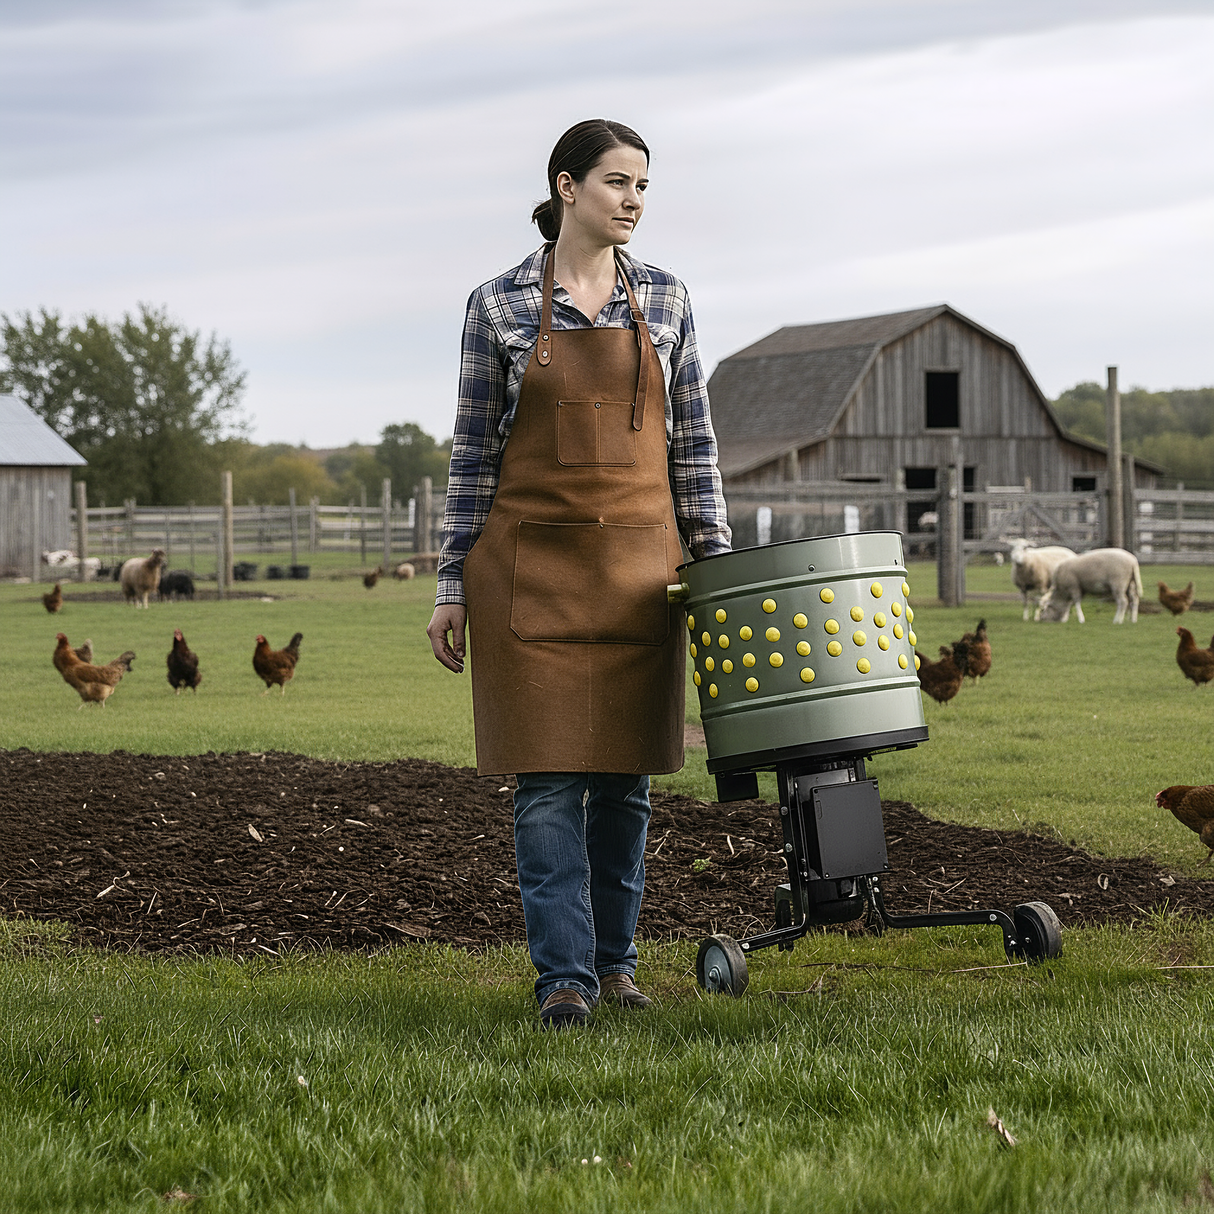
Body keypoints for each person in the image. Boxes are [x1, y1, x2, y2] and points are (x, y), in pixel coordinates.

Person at [427, 118, 731, 1028]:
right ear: (567, 188)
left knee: (626, 782)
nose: (633, 200)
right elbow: (472, 456)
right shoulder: (499, 304)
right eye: (616, 182)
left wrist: (711, 562)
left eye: (642, 186)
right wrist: (451, 584)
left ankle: (617, 964)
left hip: (642, 573)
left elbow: (696, 450)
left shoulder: (669, 301)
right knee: (549, 781)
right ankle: (564, 978)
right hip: (530, 575)